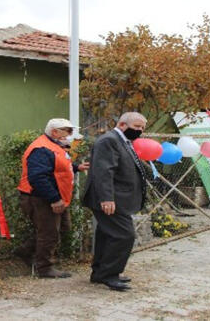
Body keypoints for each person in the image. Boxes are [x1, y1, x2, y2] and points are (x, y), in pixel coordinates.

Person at [14, 118, 89, 278]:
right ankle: (44, 268)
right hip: (41, 198)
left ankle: (25, 251)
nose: (70, 135)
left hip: (52, 196)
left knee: (59, 229)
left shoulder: (53, 146)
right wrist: (54, 199)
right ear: (55, 132)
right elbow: (38, 177)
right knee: (49, 233)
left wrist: (76, 168)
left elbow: (57, 167)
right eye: (67, 131)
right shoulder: (41, 148)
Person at [83, 112, 147, 291]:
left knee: (106, 234)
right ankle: (109, 275)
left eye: (142, 128)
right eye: (136, 127)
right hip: (111, 199)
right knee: (124, 235)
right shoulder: (109, 141)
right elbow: (104, 172)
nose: (140, 131)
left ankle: (99, 273)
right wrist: (106, 198)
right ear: (121, 125)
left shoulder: (123, 141)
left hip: (118, 199)